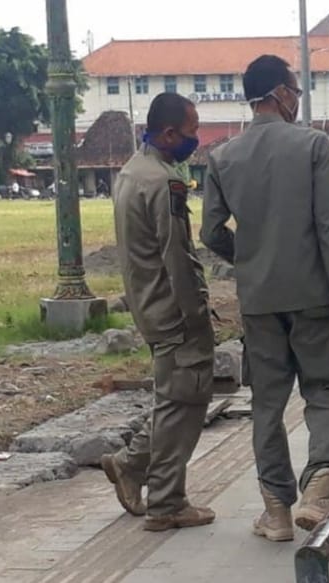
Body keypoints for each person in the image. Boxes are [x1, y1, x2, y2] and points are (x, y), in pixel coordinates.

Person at [200, 54, 329, 543]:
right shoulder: (313, 145)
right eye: (294, 89)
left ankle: (275, 512)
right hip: (313, 294)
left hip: (259, 301)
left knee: (267, 406)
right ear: (277, 93)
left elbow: (211, 231)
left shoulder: (222, 157)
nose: (297, 99)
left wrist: (248, 258)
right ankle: (320, 489)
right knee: (327, 389)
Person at [99, 92, 217, 531]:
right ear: (169, 133)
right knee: (183, 402)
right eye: (191, 131)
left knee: (175, 398)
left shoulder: (130, 173)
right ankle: (166, 502)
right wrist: (196, 314)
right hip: (173, 310)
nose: (195, 139)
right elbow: (176, 256)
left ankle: (130, 465)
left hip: (146, 303)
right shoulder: (165, 182)